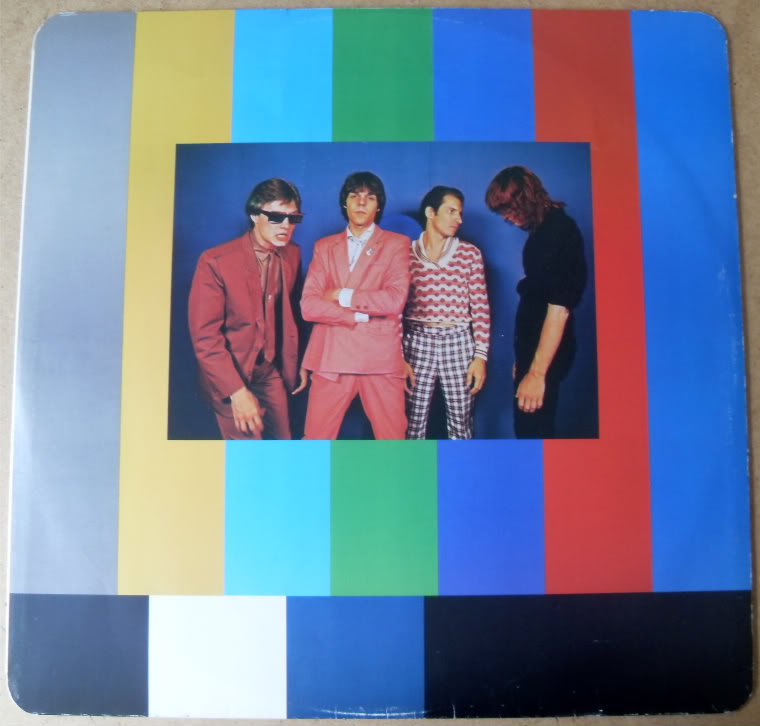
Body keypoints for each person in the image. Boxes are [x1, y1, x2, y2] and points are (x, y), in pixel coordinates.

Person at [188, 178, 307, 440]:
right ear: (254, 215)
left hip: (269, 372)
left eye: (293, 218)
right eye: (276, 217)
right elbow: (205, 338)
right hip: (229, 376)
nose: (286, 226)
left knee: (284, 446)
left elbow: (293, 315)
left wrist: (300, 360)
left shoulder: (292, 254)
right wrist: (237, 393)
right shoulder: (215, 261)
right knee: (249, 456)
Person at [301, 171, 410, 439]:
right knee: (315, 441)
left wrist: (342, 295)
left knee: (393, 443)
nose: (361, 203)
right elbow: (309, 306)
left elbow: (394, 300)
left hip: (380, 360)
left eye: (369, 198)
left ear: (378, 205)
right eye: (354, 196)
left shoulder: (397, 244)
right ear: (345, 202)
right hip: (331, 357)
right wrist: (357, 317)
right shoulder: (324, 247)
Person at [485, 165, 586, 438]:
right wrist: (524, 360)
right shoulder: (544, 230)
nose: (506, 218)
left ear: (525, 201)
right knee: (529, 428)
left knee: (533, 431)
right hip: (533, 352)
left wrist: (537, 373)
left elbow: (559, 309)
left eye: (508, 210)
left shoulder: (558, 231)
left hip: (545, 355)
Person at [403, 186, 490, 439]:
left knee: (461, 424)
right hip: (417, 343)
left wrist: (480, 358)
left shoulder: (470, 254)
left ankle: (461, 465)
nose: (458, 219)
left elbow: (481, 308)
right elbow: (394, 310)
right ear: (431, 212)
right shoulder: (405, 253)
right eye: (451, 211)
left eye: (460, 213)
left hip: (458, 343)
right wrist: (399, 357)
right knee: (412, 424)